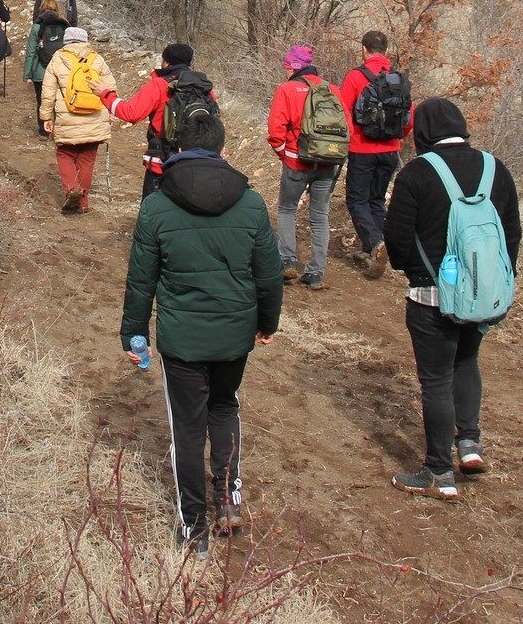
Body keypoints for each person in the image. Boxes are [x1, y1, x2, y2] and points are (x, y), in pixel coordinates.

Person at [119, 105, 283, 553]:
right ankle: (227, 497)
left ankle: (194, 528)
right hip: (234, 333)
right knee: (224, 407)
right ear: (223, 151)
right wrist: (267, 322)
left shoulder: (156, 206)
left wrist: (134, 334)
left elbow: (141, 279)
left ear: (177, 151)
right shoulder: (251, 203)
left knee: (187, 429)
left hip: (183, 339)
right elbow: (268, 274)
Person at [384, 97, 521, 499]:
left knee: (436, 381)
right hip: (481, 295)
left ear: (423, 132)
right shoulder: (496, 169)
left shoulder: (416, 173)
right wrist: (495, 281)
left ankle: (439, 473)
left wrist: (410, 269)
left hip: (431, 294)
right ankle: (470, 443)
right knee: (466, 361)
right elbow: (512, 233)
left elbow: (397, 237)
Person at [266, 46, 349, 289]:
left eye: (287, 66)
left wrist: (283, 154)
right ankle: (316, 272)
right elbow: (348, 129)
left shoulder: (287, 90)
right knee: (320, 216)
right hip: (328, 162)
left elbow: (276, 131)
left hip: (296, 160)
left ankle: (287, 262)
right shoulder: (333, 90)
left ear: (294, 66)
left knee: (287, 209)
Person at [336, 30, 412, 278]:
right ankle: (376, 249)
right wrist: (397, 137)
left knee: (357, 200)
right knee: (376, 200)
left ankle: (375, 244)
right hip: (390, 150)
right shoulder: (398, 78)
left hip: (362, 149)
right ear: (386, 51)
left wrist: (348, 141)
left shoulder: (356, 77)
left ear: (364, 49)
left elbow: (343, 112)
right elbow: (408, 117)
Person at [106, 44, 218, 198]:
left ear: (166, 62)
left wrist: (106, 95)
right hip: (196, 164)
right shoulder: (205, 88)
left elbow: (131, 113)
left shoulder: (159, 85)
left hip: (161, 163)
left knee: (153, 209)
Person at [40, 26, 114, 213]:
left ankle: (72, 188)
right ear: (85, 41)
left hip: (68, 117)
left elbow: (48, 91)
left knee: (65, 153)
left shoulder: (58, 59)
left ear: (66, 41)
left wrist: (46, 117)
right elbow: (110, 88)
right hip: (95, 116)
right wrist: (112, 111)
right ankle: (83, 203)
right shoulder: (97, 59)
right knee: (87, 159)